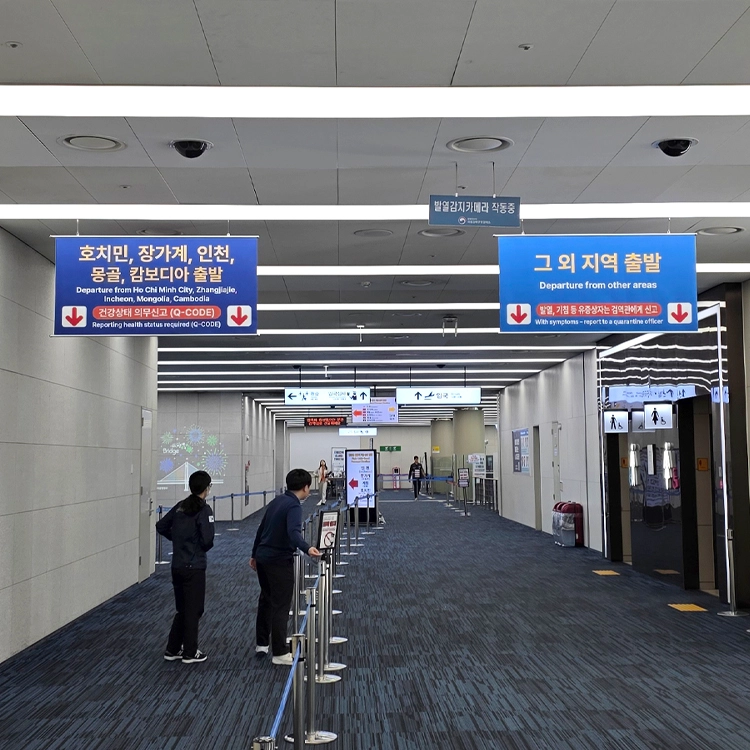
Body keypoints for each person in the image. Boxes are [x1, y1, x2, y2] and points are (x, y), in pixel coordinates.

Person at [250, 469, 322, 665]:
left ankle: (262, 644)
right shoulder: (294, 506)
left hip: (263, 557)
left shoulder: (277, 501)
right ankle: (280, 652)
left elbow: (261, 529)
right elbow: (293, 532)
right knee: (281, 605)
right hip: (278, 560)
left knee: (266, 600)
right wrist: (307, 548)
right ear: (305, 487)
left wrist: (254, 554)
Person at [156, 470, 215, 664]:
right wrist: (194, 544)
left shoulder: (180, 506)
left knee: (182, 608)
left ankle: (173, 648)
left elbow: (161, 526)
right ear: (206, 488)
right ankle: (190, 651)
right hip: (194, 566)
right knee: (194, 609)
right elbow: (207, 540)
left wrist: (177, 540)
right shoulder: (204, 510)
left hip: (177, 565)